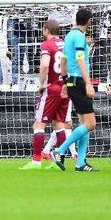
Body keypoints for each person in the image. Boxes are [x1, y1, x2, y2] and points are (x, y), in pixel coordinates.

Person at [50, 9, 98, 172]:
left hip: (71, 81)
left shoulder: (69, 35)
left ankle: (81, 163)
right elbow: (79, 59)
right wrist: (88, 83)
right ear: (89, 21)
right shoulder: (79, 36)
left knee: (84, 124)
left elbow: (63, 60)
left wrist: (65, 80)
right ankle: (59, 150)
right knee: (91, 124)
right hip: (79, 82)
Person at [20, 20, 69, 170]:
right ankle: (59, 161)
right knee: (59, 124)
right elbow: (66, 64)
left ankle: (36, 161)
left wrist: (41, 84)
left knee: (39, 124)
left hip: (51, 89)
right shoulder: (64, 44)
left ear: (46, 30)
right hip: (64, 88)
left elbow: (45, 65)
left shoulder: (46, 45)